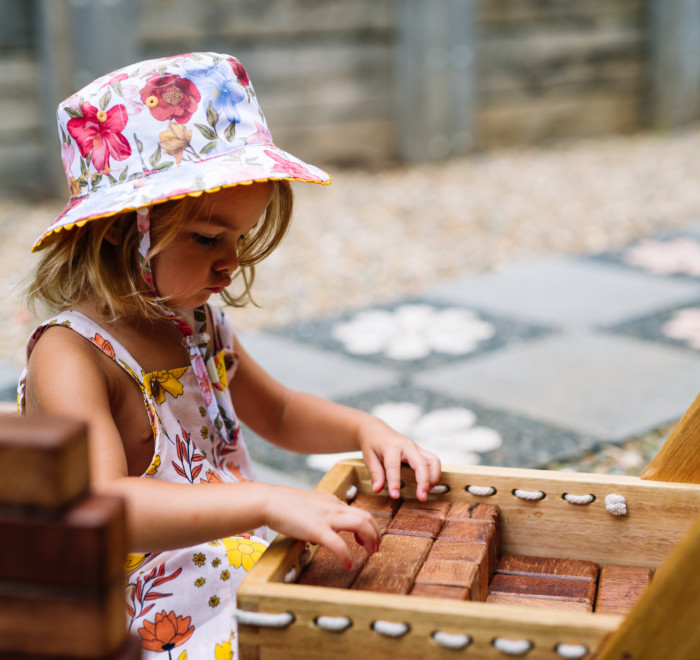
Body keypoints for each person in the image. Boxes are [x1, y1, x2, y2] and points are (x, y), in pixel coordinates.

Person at [18, 52, 441, 658]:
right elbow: (107, 504)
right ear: (116, 228)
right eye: (208, 237)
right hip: (139, 610)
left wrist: (365, 429)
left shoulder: (197, 322)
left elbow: (283, 413)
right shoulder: (72, 355)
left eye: (240, 238)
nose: (231, 262)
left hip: (227, 563)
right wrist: (269, 498)